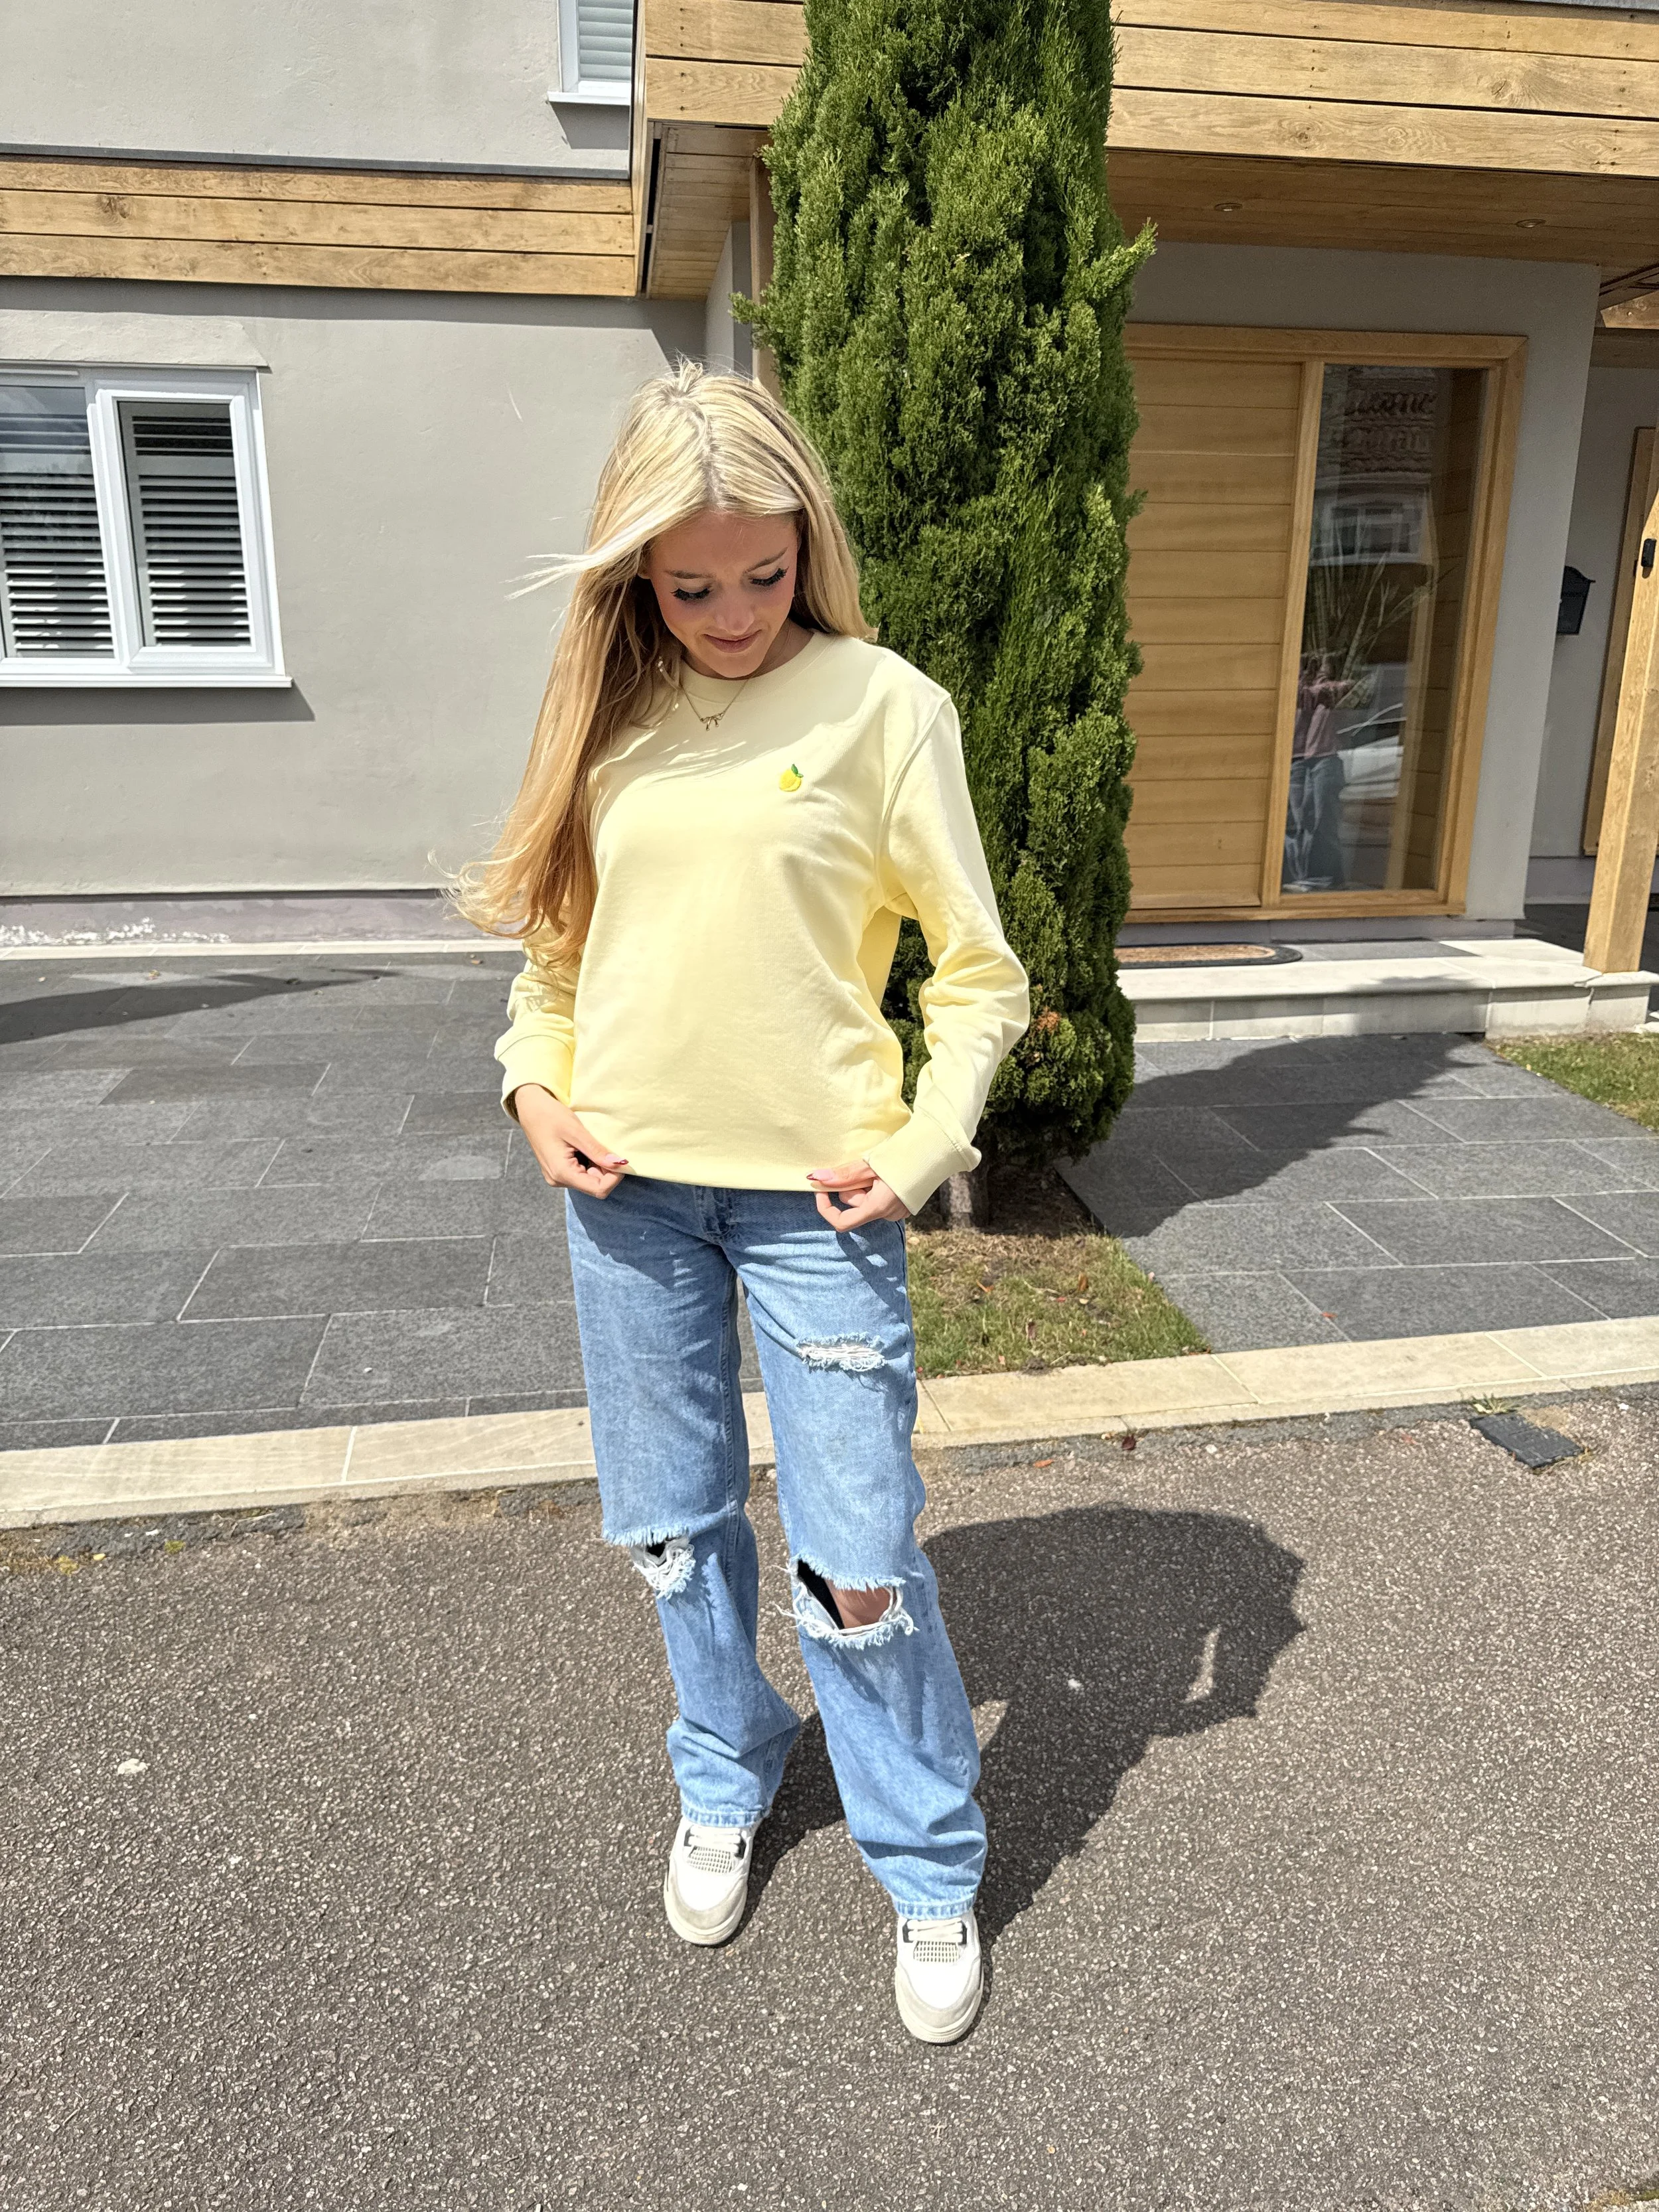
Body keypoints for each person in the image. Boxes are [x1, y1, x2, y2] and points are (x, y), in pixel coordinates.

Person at [461, 363, 1029, 2043]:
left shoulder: (880, 706)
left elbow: (979, 980)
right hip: (627, 1193)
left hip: (818, 1206)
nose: (725, 610)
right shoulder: (607, 720)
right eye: (687, 581)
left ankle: (927, 1863)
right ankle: (727, 1765)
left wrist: (921, 1152)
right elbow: (555, 959)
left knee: (857, 1558)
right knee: (671, 1526)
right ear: (635, 567)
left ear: (808, 546)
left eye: (761, 574)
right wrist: (531, 1088)